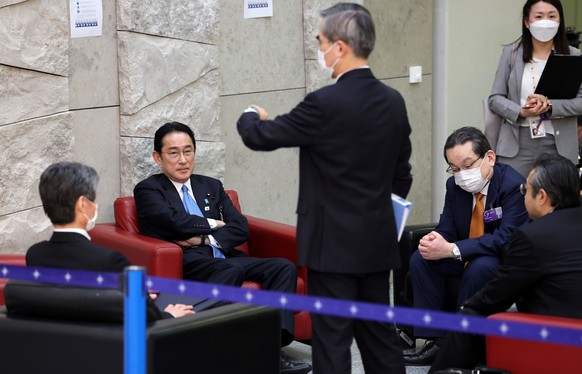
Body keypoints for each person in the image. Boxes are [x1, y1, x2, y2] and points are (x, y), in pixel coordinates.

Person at [237, 3, 412, 373]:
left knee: (331, 342)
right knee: (380, 338)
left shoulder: (324, 103)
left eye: (320, 41)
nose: (319, 50)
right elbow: (402, 175)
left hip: (331, 249)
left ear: (341, 47)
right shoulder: (394, 102)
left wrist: (251, 113)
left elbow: (260, 137)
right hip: (378, 243)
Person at [133, 121, 311, 374]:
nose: (182, 160)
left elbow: (240, 226)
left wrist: (206, 239)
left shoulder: (211, 186)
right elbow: (171, 220)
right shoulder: (149, 189)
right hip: (187, 259)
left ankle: (271, 348)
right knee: (230, 270)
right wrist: (213, 223)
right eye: (173, 153)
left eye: (188, 151)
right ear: (158, 157)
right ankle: (214, 348)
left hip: (223, 254)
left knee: (282, 267)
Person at [429, 153, 582, 372]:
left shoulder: (532, 236)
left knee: (470, 315)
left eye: (525, 190)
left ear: (542, 197)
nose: (523, 195)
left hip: (558, 332)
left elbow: (496, 296)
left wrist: (468, 306)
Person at [404, 127, 529, 366]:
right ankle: (437, 341)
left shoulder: (513, 185)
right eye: (455, 168)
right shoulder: (455, 187)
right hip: (464, 254)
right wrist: (435, 239)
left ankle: (462, 342)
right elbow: (448, 228)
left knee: (480, 267)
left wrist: (452, 250)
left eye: (468, 165)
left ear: (489, 158)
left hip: (500, 259)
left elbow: (505, 238)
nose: (462, 174)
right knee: (421, 259)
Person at [26, 161, 194, 319]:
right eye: (93, 198)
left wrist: (138, 294)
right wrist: (170, 315)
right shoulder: (109, 260)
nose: (95, 204)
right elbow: (148, 318)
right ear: (83, 204)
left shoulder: (35, 254)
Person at [489, 0, 582, 178]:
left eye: (552, 16)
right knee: (514, 199)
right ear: (527, 22)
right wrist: (520, 112)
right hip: (517, 144)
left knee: (555, 202)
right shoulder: (512, 53)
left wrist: (551, 106)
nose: (545, 22)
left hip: (558, 144)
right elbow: (495, 98)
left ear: (560, 20)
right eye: (539, 16)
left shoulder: (573, 56)